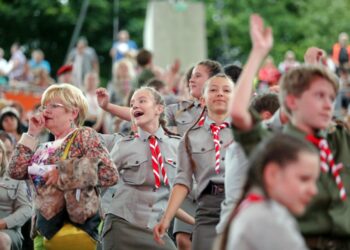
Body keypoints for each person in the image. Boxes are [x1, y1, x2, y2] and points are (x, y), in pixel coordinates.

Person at [231, 14, 350, 250]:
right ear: (292, 102)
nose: (328, 104)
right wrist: (257, 54)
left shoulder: (340, 137)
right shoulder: (277, 144)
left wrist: (314, 69)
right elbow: (238, 113)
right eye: (319, 96)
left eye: (330, 97)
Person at [8, 83, 118, 248]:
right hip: (42, 230)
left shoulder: (84, 135)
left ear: (73, 113)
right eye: (45, 106)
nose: (46, 110)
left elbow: (109, 173)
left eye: (54, 105)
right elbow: (15, 171)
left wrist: (64, 172)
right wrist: (31, 134)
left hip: (75, 228)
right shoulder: (42, 147)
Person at [101, 87, 190, 250]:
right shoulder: (124, 145)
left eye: (142, 101)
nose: (135, 105)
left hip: (155, 228)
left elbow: (174, 194)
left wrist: (196, 222)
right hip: (121, 226)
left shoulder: (178, 146)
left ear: (159, 109)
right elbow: (100, 185)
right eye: (132, 103)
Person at [153, 73, 235, 250]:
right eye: (213, 90)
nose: (220, 93)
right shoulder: (190, 138)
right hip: (207, 210)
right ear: (203, 101)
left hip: (240, 206)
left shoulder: (246, 133)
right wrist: (167, 218)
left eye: (227, 90)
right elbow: (182, 182)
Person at [219, 134, 319, 250]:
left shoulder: (260, 211)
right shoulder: (266, 220)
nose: (314, 191)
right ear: (273, 174)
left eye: (314, 181)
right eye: (304, 179)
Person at [0, 139, 32, 250]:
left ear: (2, 155)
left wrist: (4, 223)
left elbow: (27, 209)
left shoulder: (15, 177)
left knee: (1, 239)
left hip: (7, 231)